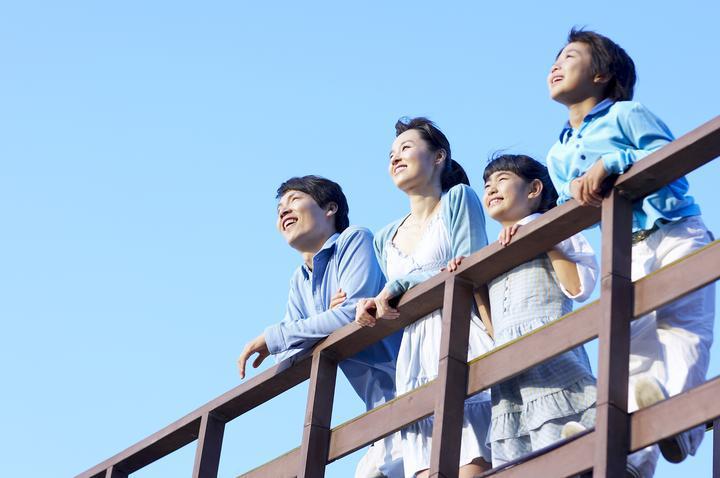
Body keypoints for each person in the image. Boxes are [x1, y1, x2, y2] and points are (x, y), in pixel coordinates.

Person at [545, 28, 715, 477]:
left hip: (674, 230)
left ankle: (681, 428)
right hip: (626, 250)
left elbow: (669, 158)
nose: (556, 65)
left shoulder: (626, 114)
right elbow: (572, 208)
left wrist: (613, 162)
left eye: (570, 56)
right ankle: (626, 458)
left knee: (681, 328)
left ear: (601, 74)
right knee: (630, 349)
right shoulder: (558, 153)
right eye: (555, 59)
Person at [237, 175, 404, 478]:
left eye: (294, 200)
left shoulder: (354, 240)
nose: (284, 210)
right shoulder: (299, 280)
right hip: (379, 408)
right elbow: (287, 355)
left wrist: (284, 334)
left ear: (330, 208)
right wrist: (326, 318)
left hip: (411, 383)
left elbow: (355, 312)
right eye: (279, 208)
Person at [355, 117, 493, 478]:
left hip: (460, 334)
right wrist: (366, 303)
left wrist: (403, 284)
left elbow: (471, 263)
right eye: (391, 153)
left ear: (438, 157)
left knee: (472, 461)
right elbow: (387, 298)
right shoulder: (384, 237)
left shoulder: (458, 199)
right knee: (425, 465)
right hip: (414, 356)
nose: (395, 157)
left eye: (406, 147)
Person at [448, 154, 598, 466]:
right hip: (507, 364)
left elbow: (578, 287)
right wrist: (471, 278)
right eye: (487, 185)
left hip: (547, 351)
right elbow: (493, 328)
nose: (491, 188)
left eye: (502, 179)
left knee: (560, 435)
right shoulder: (491, 252)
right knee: (520, 457)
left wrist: (541, 238)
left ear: (534, 189)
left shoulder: (553, 226)